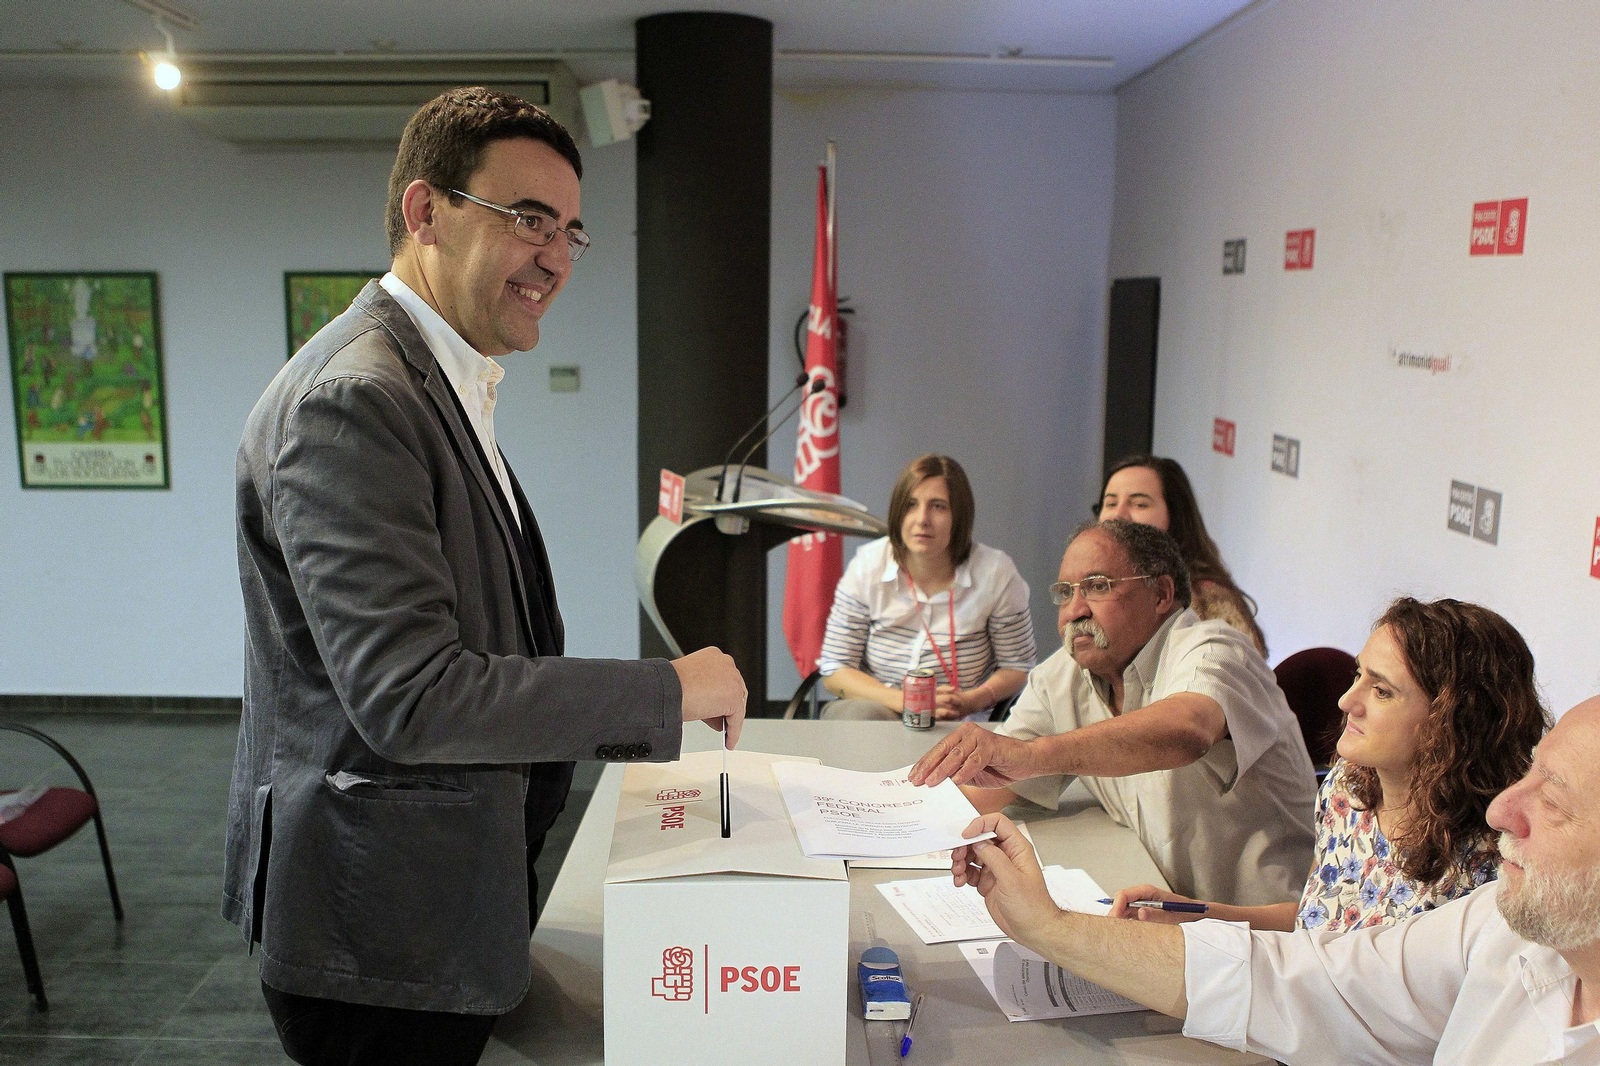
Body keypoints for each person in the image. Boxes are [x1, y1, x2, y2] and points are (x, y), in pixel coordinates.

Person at [224, 88, 747, 1066]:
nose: (555, 256)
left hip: (444, 900)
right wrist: (666, 690)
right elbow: (413, 695)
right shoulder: (355, 399)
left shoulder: (435, 383)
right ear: (426, 212)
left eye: (571, 232)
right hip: (378, 931)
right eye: (528, 220)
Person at [951, 695, 1600, 1065]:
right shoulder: (1499, 927)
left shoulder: (1487, 884)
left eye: (1555, 800)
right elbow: (1303, 980)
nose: (1502, 812)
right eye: (1529, 774)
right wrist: (1049, 926)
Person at [909, 518, 1315, 904]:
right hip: (1159, 909)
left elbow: (1188, 728)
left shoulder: (1215, 648)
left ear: (1161, 595)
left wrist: (1035, 755)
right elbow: (990, 785)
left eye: (1097, 587)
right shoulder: (1062, 676)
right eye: (1065, 592)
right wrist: (881, 823)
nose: (1074, 610)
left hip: (1271, 933)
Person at [1111, 597, 1549, 931]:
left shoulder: (1494, 868)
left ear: (1453, 719)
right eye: (1359, 675)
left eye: (1382, 691)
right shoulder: (1349, 790)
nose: (1346, 702)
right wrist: (1195, 916)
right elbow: (1320, 922)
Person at [817, 454, 1036, 720]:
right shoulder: (868, 566)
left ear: (960, 516)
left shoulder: (996, 573)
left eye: (938, 506)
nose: (922, 519)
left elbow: (1018, 667)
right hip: (880, 714)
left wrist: (972, 700)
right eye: (911, 505)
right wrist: (906, 701)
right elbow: (835, 669)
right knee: (859, 716)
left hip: (959, 722)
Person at [1097, 454, 1266, 655]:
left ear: (1175, 516)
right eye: (1111, 503)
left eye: (1140, 504)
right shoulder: (1090, 588)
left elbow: (1240, 675)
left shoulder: (1208, 599)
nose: (1118, 515)